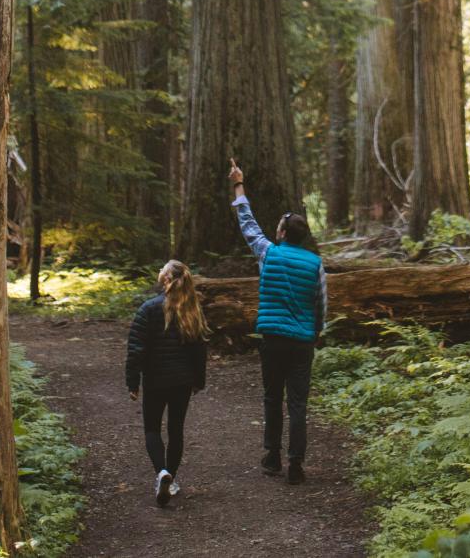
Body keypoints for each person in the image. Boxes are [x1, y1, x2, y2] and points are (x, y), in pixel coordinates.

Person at [228, 158, 326, 485]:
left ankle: (272, 456)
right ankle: (296, 464)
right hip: (302, 341)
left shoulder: (268, 252)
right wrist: (317, 331)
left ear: (283, 233)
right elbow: (320, 303)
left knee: (272, 397)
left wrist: (238, 184)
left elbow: (247, 223)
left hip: (272, 339)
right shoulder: (315, 263)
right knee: (298, 402)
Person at [125, 260, 210, 506]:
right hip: (182, 382)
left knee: (152, 429)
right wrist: (198, 380)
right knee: (176, 429)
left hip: (155, 380)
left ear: (165, 280)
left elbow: (136, 349)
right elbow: (199, 351)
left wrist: (132, 381)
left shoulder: (148, 309)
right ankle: (170, 480)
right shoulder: (193, 310)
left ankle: (161, 471)